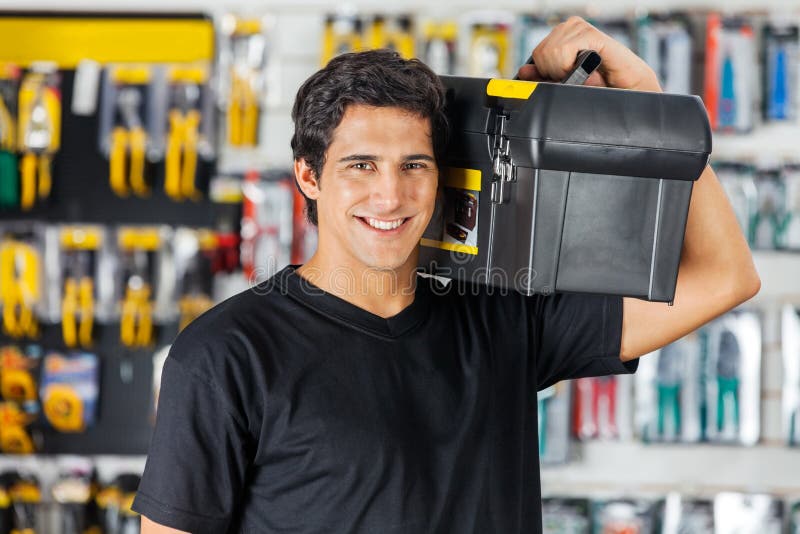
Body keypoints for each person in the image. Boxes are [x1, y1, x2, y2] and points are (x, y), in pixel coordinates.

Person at [134, 16, 760, 534]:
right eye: (360, 165)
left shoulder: (504, 314)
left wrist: (649, 106)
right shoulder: (224, 356)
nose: (391, 195)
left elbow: (725, 277)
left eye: (414, 164)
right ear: (307, 177)